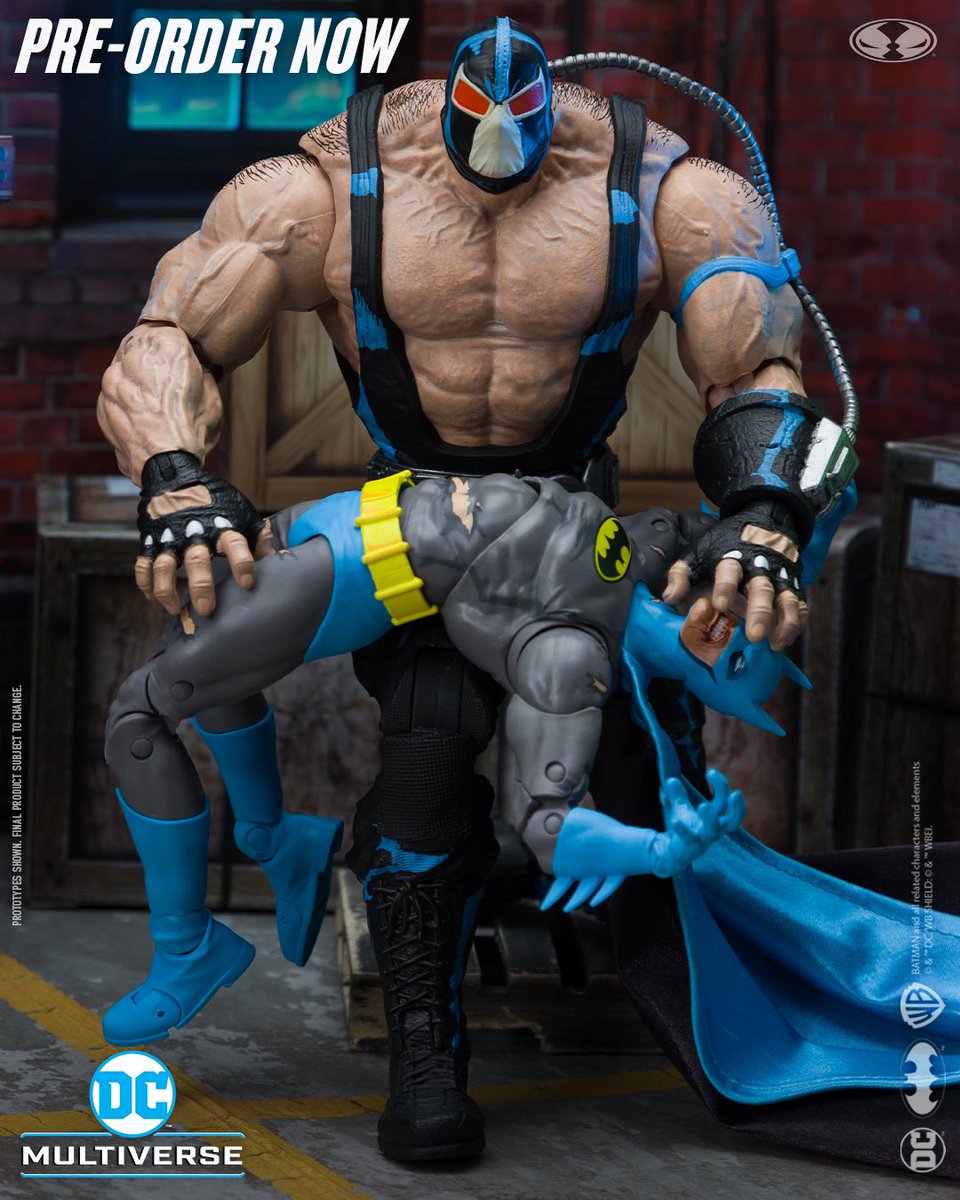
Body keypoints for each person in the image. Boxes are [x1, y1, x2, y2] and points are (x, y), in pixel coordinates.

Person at [97, 17, 852, 1161]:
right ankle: (427, 1049)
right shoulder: (322, 188)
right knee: (420, 772)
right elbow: (169, 337)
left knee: (610, 772)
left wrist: (765, 516)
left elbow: (762, 373)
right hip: (416, 527)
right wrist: (173, 481)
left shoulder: (671, 190)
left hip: (570, 532)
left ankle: (620, 927)